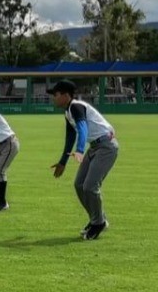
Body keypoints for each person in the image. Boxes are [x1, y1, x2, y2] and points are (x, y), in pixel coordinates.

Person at [47, 80, 118, 240]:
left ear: (65, 95)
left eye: (56, 95)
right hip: (95, 147)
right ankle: (97, 220)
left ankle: (98, 222)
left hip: (106, 146)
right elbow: (70, 136)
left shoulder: (76, 106)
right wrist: (63, 162)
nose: (54, 98)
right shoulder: (68, 112)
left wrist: (80, 150)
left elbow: (82, 128)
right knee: (79, 185)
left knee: (90, 186)